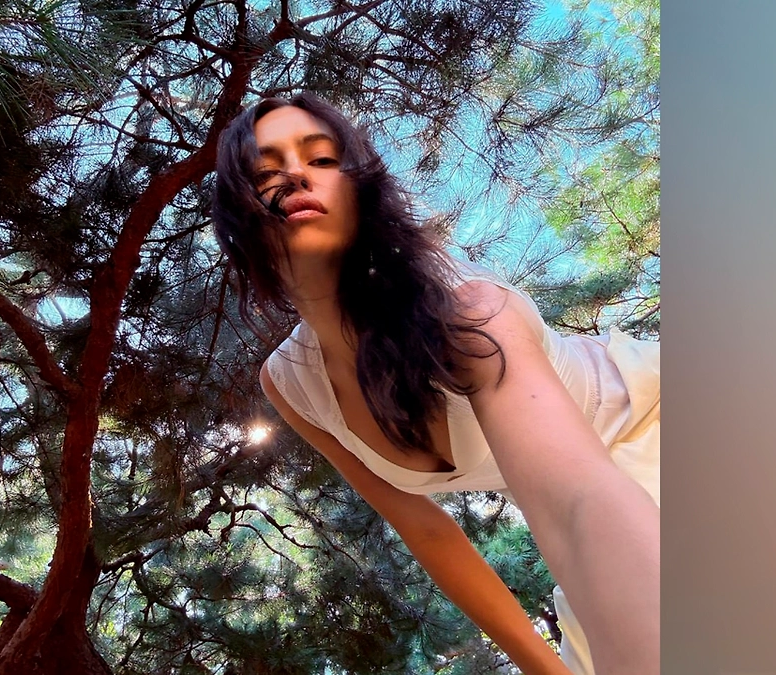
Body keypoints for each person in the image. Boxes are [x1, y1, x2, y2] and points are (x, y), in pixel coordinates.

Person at [212, 93, 660, 675]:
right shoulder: (291, 384)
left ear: (362, 189)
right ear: (238, 212)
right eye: (264, 171)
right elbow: (426, 532)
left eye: (321, 159)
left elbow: (578, 497)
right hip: (584, 521)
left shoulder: (473, 312)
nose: (296, 174)